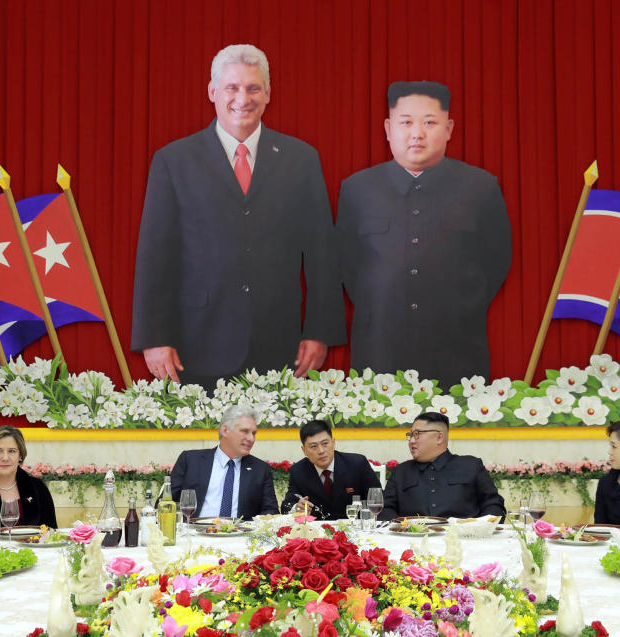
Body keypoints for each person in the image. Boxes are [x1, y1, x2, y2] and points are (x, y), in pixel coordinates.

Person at [132, 44, 345, 387]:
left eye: (253, 88)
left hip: (282, 346)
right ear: (212, 91)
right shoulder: (174, 161)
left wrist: (319, 332)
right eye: (232, 87)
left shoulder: (301, 159)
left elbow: (322, 254)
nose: (242, 98)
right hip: (196, 346)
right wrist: (154, 337)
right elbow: (156, 255)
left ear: (268, 94)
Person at [336, 81, 512, 386]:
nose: (417, 133)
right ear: (389, 129)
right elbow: (346, 262)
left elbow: (496, 259)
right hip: (380, 348)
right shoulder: (357, 189)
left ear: (449, 128)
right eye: (406, 122)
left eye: (430, 122)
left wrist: (459, 304)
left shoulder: (480, 188)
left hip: (457, 347)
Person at [379, 412, 504, 520]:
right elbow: (385, 509)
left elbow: (493, 504)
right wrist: (401, 529)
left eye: (417, 434)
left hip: (464, 541)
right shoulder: (400, 472)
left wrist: (480, 528)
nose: (411, 441)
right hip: (413, 541)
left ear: (439, 437)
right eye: (410, 435)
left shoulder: (471, 466)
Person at [169, 405, 278, 520]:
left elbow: (271, 511)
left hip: (240, 535)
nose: (251, 439)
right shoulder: (190, 460)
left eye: (254, 433)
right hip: (194, 534)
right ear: (225, 430)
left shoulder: (260, 469)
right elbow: (165, 504)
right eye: (245, 431)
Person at [280, 420, 382, 520]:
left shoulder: (357, 464)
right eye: (314, 446)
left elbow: (378, 498)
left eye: (325, 443)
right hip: (318, 533)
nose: (321, 451)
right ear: (304, 450)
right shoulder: (298, 471)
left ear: (333, 443)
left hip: (357, 530)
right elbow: (286, 506)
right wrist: (296, 508)